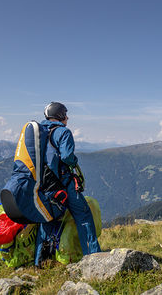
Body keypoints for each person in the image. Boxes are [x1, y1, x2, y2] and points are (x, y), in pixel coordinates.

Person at [34, 102, 101, 265]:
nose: (67, 117)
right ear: (59, 115)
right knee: (83, 214)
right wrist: (74, 162)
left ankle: (41, 262)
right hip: (63, 183)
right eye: (65, 114)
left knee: (48, 219)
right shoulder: (63, 132)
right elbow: (67, 157)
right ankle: (93, 257)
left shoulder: (40, 133)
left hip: (44, 185)